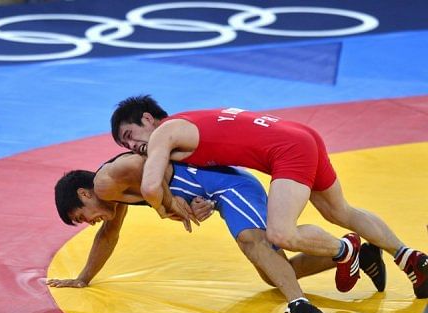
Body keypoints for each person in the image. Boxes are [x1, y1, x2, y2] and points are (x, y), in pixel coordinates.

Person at [110, 95, 428, 299]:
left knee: (281, 233)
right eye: (125, 145)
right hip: (300, 135)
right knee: (339, 210)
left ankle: (345, 249)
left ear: (148, 119)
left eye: (129, 135)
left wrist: (166, 209)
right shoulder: (186, 122)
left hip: (286, 151)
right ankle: (409, 257)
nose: (133, 146)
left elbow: (151, 187)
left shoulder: (163, 134)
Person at [48, 153, 385, 313]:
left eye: (82, 215)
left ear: (84, 193)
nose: (90, 221)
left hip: (227, 185)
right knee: (274, 272)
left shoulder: (110, 178)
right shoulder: (114, 195)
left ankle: (303, 306)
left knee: (255, 241)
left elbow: (143, 164)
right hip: (220, 192)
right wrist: (83, 278)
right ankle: (354, 250)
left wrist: (172, 200)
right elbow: (108, 236)